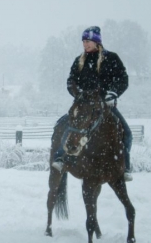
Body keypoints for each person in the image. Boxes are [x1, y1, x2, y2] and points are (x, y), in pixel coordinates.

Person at [51, 26, 133, 182]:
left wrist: (113, 93)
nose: (85, 44)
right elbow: (71, 81)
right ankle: (60, 158)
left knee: (127, 134)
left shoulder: (112, 58)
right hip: (83, 106)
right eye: (83, 41)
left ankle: (125, 167)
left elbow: (123, 79)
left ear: (97, 42)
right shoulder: (79, 60)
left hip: (105, 106)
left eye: (88, 41)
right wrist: (78, 94)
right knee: (62, 125)